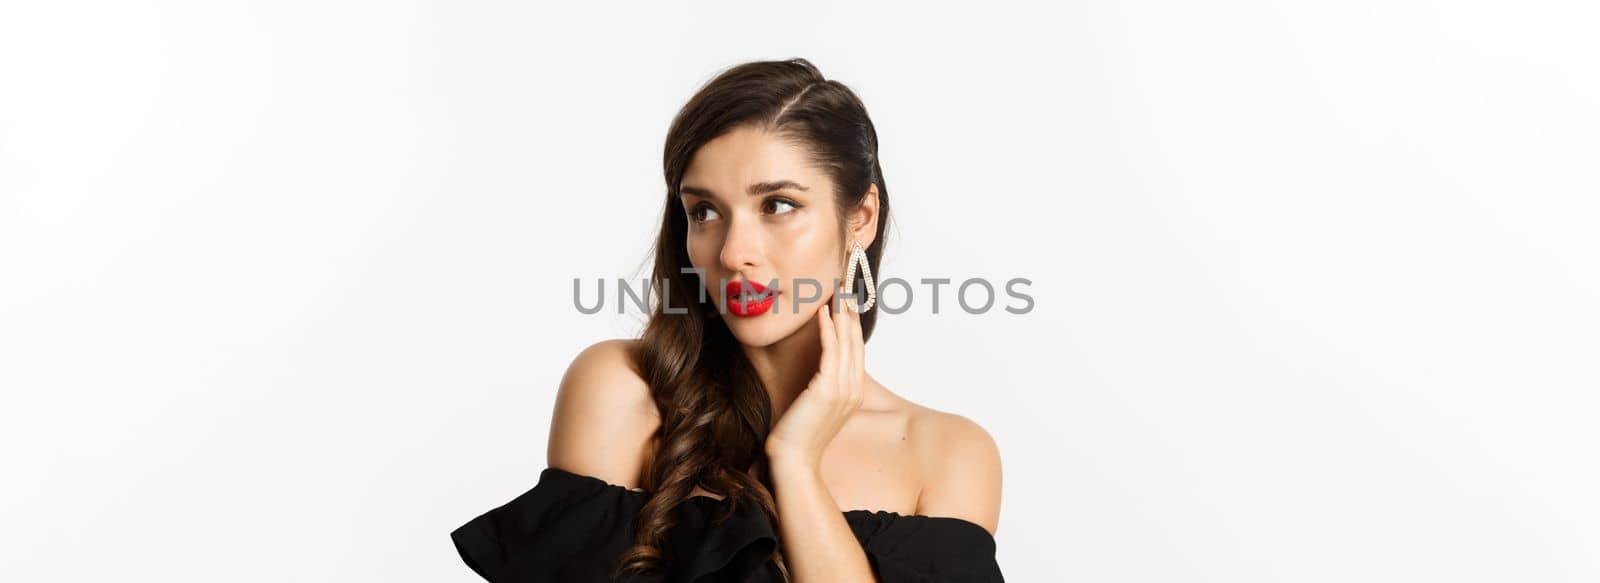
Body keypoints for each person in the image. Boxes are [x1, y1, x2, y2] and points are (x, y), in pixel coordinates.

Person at [451, 58, 1004, 582]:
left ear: (859, 218)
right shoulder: (622, 391)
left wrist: (795, 462)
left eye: (778, 205)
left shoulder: (947, 453)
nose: (735, 252)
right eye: (705, 211)